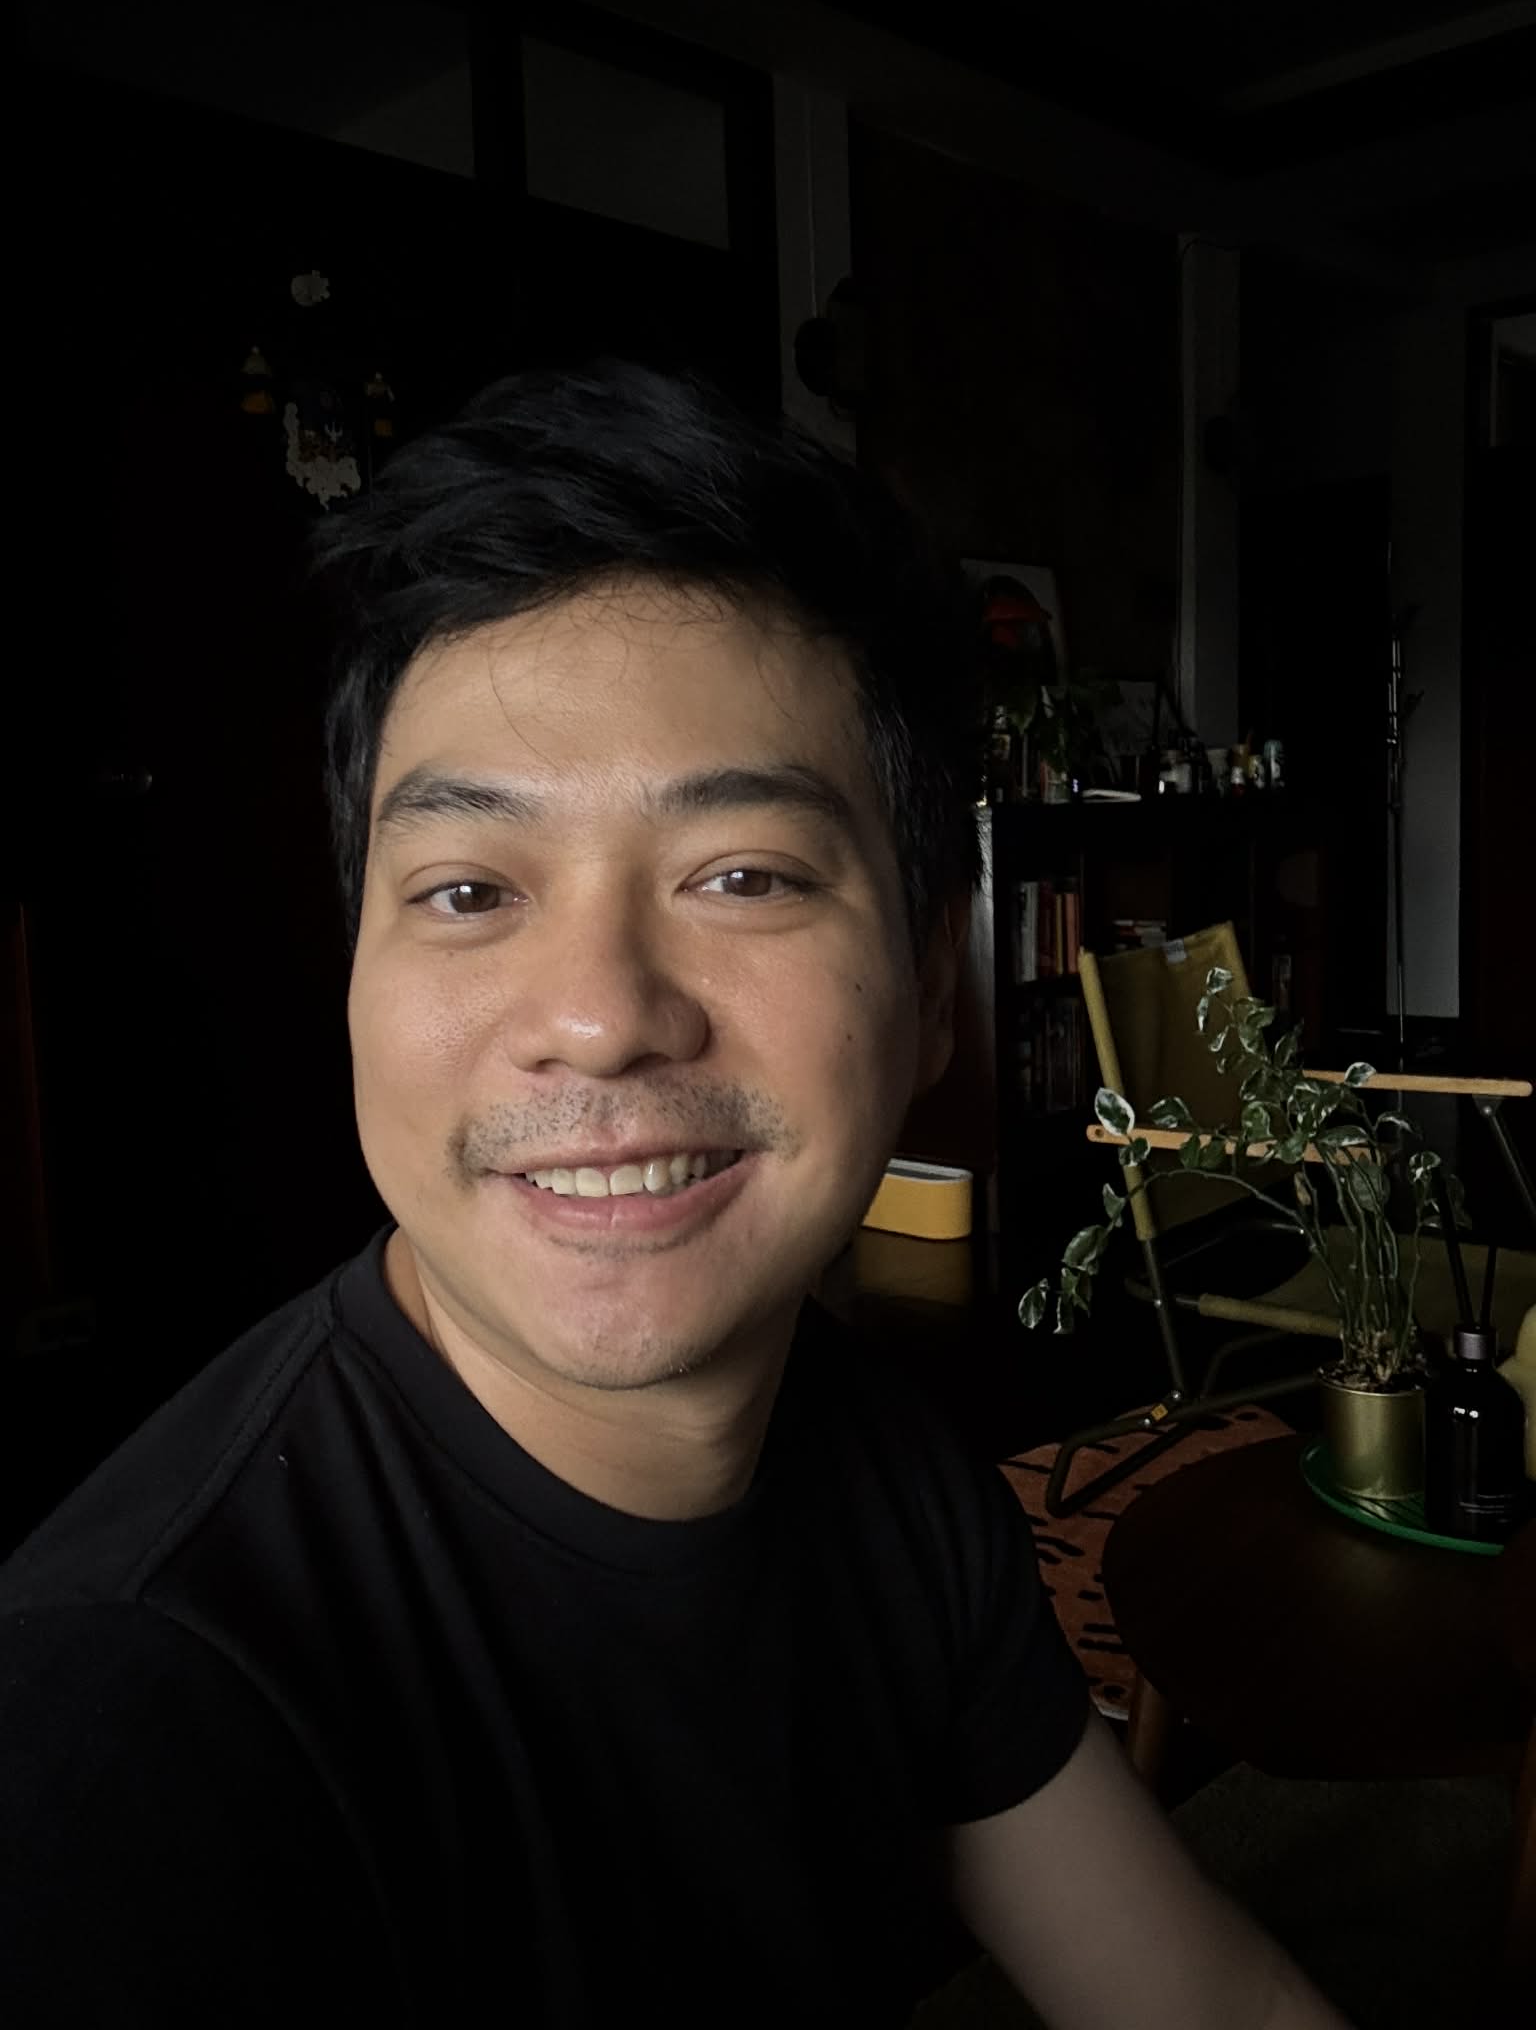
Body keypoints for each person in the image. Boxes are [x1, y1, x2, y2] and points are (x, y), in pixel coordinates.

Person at [1, 364, 1345, 2028]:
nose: (600, 1014)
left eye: (744, 875)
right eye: (469, 889)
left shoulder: (884, 1471)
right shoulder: (130, 1738)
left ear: (935, 986)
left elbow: (1200, 1999)